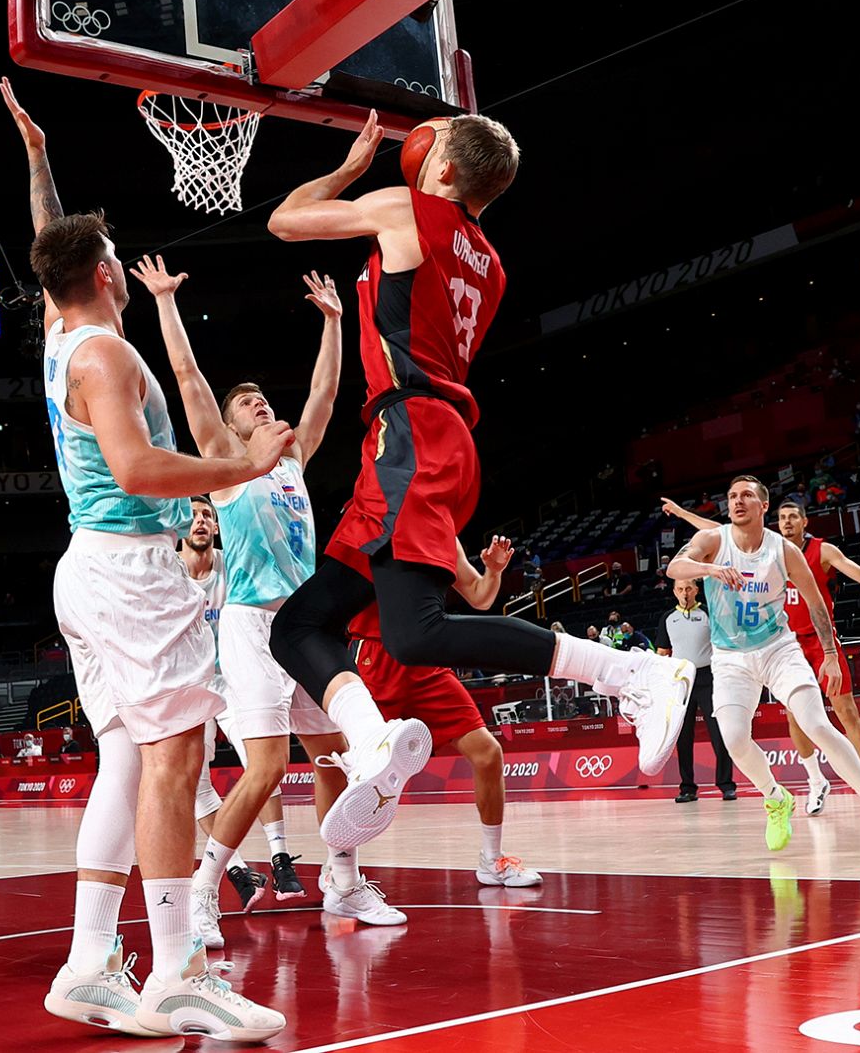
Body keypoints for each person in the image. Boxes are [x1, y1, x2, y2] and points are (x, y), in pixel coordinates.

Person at [264, 111, 692, 851]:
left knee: (415, 632)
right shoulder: (490, 265)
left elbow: (285, 221)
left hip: (413, 436)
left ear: (444, 169)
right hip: (425, 437)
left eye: (421, 151)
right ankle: (371, 739)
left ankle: (632, 674)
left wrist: (349, 166)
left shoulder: (407, 209)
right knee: (299, 624)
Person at [3, 77, 286, 1041]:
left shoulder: (62, 333)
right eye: (116, 255)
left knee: (124, 757)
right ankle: (177, 973)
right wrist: (232, 469)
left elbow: (55, 252)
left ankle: (88, 963)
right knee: (174, 756)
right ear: (111, 272)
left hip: (86, 569)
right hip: (129, 566)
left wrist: (40, 161)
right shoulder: (107, 359)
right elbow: (132, 463)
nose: (122, 263)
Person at [128, 253, 378, 937]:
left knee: (333, 757)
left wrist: (334, 321)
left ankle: (344, 880)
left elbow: (325, 397)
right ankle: (206, 888)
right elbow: (188, 379)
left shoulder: (291, 460)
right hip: (248, 627)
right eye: (247, 402)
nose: (258, 402)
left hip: (304, 624)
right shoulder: (229, 466)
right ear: (233, 426)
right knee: (267, 766)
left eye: (262, 397)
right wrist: (165, 303)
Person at [665, 476, 860, 853]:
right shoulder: (714, 542)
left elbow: (815, 604)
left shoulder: (784, 551)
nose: (737, 501)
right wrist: (710, 571)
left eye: (747, 495)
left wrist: (830, 655)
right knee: (732, 739)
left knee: (817, 724)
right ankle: (775, 796)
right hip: (731, 658)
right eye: (732, 496)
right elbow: (674, 568)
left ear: (764, 506)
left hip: (779, 649)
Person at [348, 537, 541, 887]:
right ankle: (341, 874)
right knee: (358, 773)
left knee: (487, 754)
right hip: (376, 659)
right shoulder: (369, 525)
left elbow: (480, 597)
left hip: (427, 664)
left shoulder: (441, 533)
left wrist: (493, 571)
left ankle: (491, 860)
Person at [178, 496, 299, 916]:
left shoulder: (232, 564)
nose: (201, 522)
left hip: (232, 677)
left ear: (216, 527)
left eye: (208, 516)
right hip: (188, 685)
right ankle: (239, 870)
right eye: (193, 516)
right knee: (196, 786)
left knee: (260, 762)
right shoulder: (169, 572)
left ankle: (281, 858)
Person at [655, 579, 736, 802]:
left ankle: (726, 784)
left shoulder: (709, 614)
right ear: (674, 592)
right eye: (680, 589)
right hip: (681, 680)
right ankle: (687, 788)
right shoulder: (667, 618)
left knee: (719, 732)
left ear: (697, 590)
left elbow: (724, 645)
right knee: (683, 736)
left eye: (689, 588)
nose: (685, 593)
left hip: (709, 677)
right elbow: (662, 653)